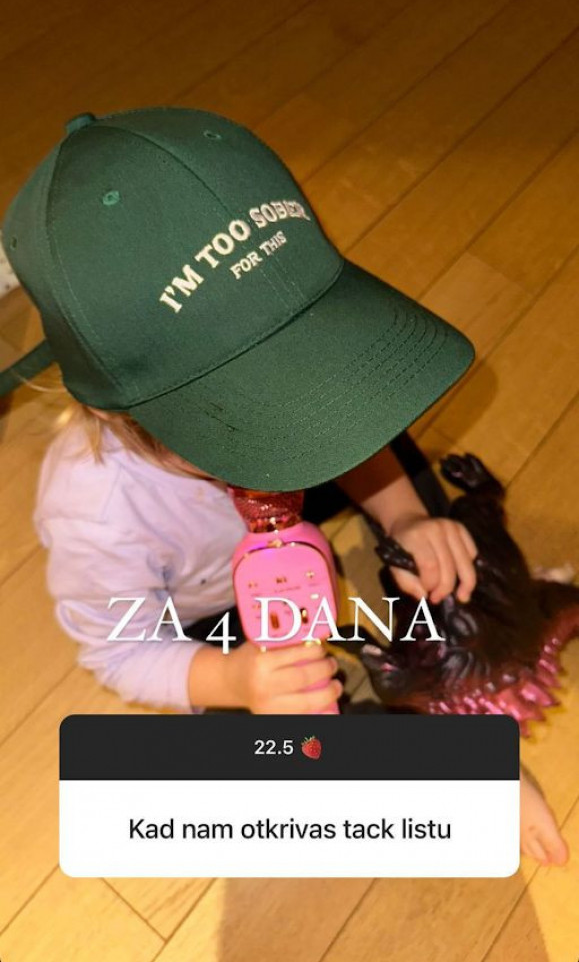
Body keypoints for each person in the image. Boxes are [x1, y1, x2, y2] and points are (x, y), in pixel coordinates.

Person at [0, 106, 565, 865]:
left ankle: (467, 620)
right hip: (215, 615)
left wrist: (404, 517)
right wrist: (235, 678)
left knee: (393, 467)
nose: (293, 428)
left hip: (285, 520)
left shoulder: (287, 424)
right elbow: (119, 650)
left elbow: (347, 432)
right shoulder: (98, 512)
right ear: (116, 411)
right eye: (244, 414)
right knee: (276, 753)